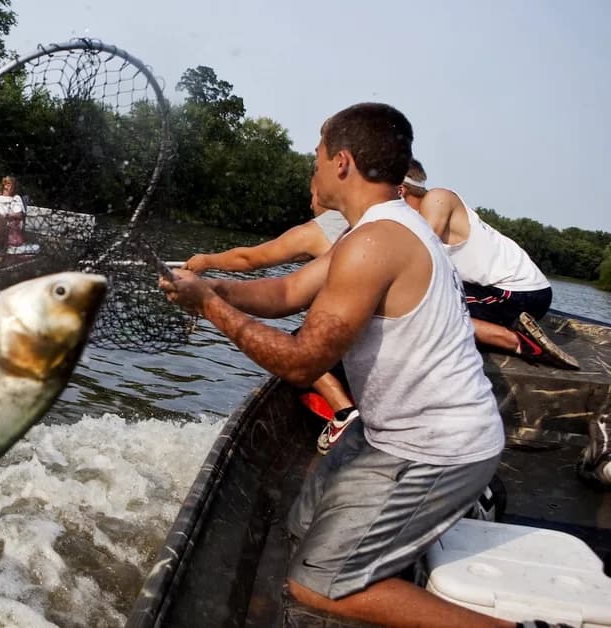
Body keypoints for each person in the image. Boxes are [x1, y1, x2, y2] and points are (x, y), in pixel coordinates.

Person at [160, 103, 510, 627]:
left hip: (439, 450)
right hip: (392, 434)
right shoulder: (373, 232)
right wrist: (211, 285)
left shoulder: (375, 243)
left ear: (341, 161)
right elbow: (287, 290)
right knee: (302, 523)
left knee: (314, 587)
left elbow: (302, 364)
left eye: (318, 156)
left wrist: (209, 308)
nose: (315, 167)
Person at [183, 181, 359, 454]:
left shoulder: (318, 230)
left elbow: (250, 260)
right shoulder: (366, 226)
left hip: (349, 346)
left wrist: (207, 261)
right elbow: (289, 290)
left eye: (312, 191)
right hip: (367, 349)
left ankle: (343, 412)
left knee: (300, 343)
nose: (311, 201)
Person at [400, 159, 579, 370]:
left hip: (521, 293)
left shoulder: (437, 199)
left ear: (400, 190)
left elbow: (418, 258)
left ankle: (516, 341)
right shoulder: (414, 217)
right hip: (500, 291)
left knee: (423, 307)